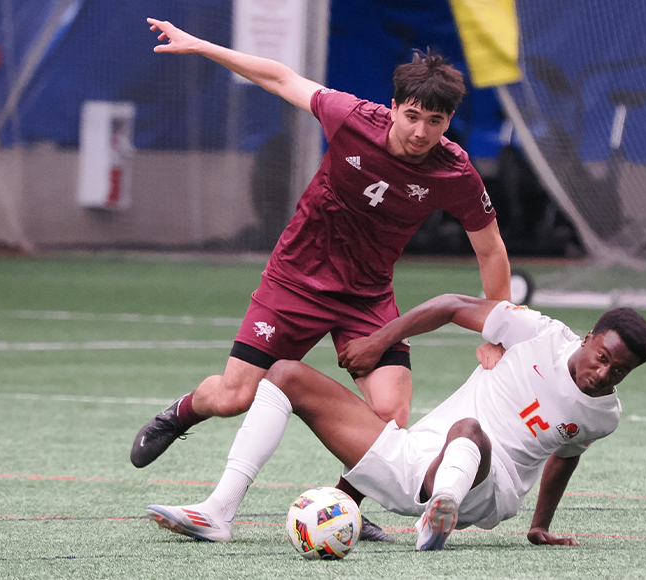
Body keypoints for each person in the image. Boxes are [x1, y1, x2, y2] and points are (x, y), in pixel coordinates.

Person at [131, 19, 511, 539]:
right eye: (413, 115)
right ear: (394, 106)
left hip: (368, 297)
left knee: (391, 415)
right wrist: (200, 46)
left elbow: (490, 251)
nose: (421, 131)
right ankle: (179, 414)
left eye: (436, 121)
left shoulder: (455, 172)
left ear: (449, 122)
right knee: (233, 397)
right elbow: (281, 77)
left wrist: (499, 332)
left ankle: (343, 505)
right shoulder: (352, 118)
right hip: (295, 282)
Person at [144, 293, 646, 549]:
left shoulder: (603, 414)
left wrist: (539, 524)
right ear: (589, 338)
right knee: (285, 374)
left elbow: (565, 458)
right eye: (604, 357)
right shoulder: (536, 332)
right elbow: (452, 306)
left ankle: (440, 516)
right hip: (412, 457)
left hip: (488, 493)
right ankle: (218, 512)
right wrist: (379, 340)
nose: (604, 373)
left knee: (469, 431)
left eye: (621, 371)